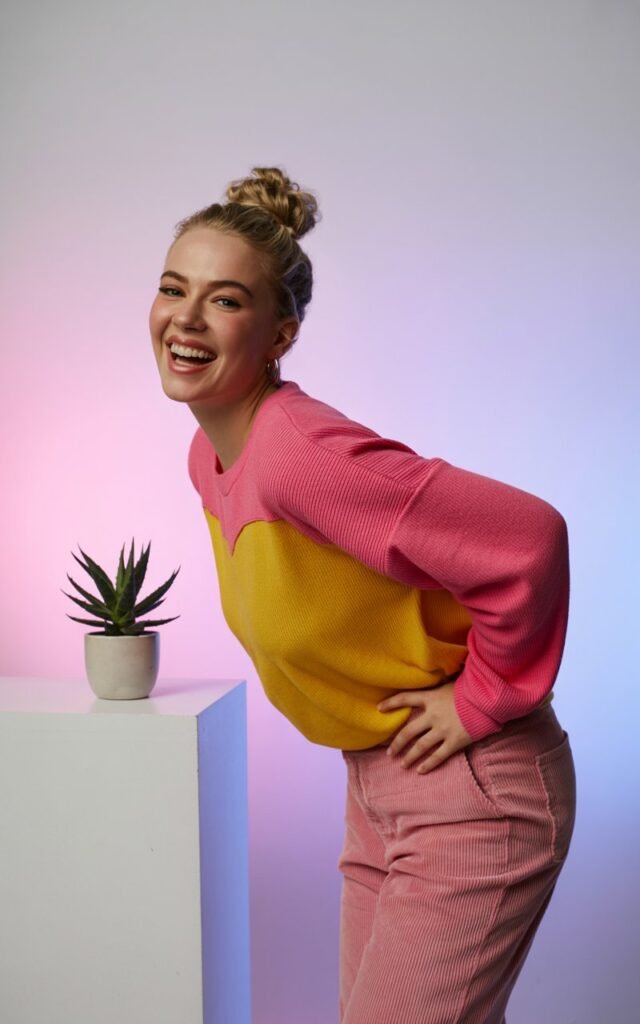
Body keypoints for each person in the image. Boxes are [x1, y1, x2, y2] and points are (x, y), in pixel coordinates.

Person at [149, 166, 577, 1024]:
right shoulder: (213, 459)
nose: (185, 319)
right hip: (378, 790)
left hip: (470, 793)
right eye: (172, 288)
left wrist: (483, 698)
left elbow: (528, 538)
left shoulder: (301, 454)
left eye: (226, 300)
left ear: (281, 333)